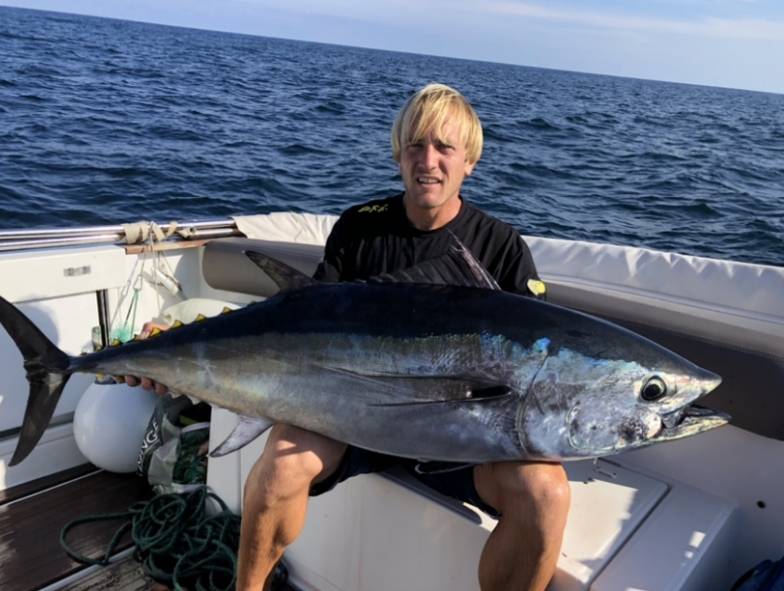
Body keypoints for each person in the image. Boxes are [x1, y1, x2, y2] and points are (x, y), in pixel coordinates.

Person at [130, 83, 570, 591]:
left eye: (445, 148)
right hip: (353, 415)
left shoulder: (501, 246)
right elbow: (302, 324)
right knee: (279, 468)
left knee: (546, 493)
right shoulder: (360, 228)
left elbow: (537, 367)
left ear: (469, 161)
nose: (428, 161)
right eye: (414, 146)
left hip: (460, 436)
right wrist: (171, 351)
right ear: (398, 156)